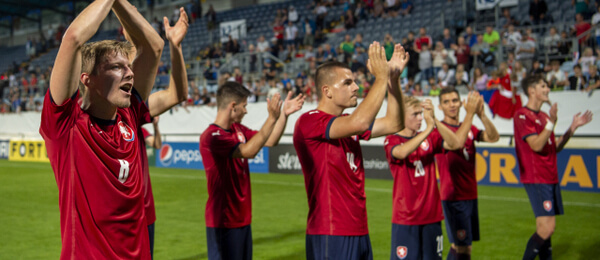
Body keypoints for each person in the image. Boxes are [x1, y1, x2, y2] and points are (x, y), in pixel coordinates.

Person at [39, 0, 179, 258]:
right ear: (87, 79)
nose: (130, 73)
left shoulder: (129, 115)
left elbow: (154, 47)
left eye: (128, 66)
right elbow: (73, 39)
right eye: (116, 67)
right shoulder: (66, 126)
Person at [293, 42, 408, 260]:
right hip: (331, 230)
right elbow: (361, 122)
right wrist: (381, 78)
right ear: (327, 91)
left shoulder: (346, 123)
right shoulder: (309, 121)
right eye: (347, 83)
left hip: (359, 229)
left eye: (354, 82)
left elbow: (395, 123)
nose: (356, 87)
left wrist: (393, 79)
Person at [199, 82, 305, 260]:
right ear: (233, 106)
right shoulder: (212, 136)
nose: (246, 111)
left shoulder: (238, 129)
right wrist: (271, 118)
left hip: (242, 219)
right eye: (244, 106)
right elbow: (249, 151)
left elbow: (270, 141)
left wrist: (283, 116)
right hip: (223, 221)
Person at [384, 92, 480, 260]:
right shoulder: (392, 139)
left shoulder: (431, 137)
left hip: (432, 216)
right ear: (401, 116)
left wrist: (434, 122)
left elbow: (456, 143)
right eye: (415, 114)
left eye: (421, 113)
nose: (421, 118)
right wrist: (429, 129)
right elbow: (402, 152)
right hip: (406, 217)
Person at [515, 75, 593, 260]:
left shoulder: (543, 116)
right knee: (547, 228)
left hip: (550, 177)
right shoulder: (522, 115)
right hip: (537, 178)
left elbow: (553, 147)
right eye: (543, 86)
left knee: (546, 231)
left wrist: (571, 128)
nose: (548, 89)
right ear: (531, 90)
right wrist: (552, 122)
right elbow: (536, 145)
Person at [435, 88, 499, 260]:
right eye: (446, 102)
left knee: (463, 246)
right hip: (453, 197)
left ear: (460, 102)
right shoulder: (439, 130)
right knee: (462, 248)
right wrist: (470, 116)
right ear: (440, 107)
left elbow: (493, 137)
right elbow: (457, 143)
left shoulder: (469, 127)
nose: (452, 105)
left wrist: (482, 115)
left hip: (470, 193)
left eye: (455, 100)